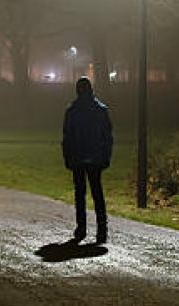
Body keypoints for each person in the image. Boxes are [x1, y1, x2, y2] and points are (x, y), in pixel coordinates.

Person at [62, 76, 113, 244]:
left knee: (80, 193)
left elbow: (67, 136)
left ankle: (81, 227)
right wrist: (106, 156)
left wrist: (67, 157)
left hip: (77, 156)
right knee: (97, 191)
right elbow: (107, 136)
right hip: (96, 156)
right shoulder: (101, 110)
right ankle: (102, 228)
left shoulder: (72, 111)